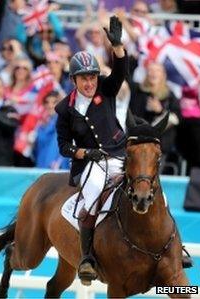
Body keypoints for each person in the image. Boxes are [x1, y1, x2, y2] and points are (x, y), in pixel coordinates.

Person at [55, 16, 127, 284]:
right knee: (94, 193)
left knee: (150, 182)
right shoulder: (64, 109)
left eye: (93, 77)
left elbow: (120, 70)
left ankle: (174, 245)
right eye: (84, 78)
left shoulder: (106, 89)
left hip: (119, 153)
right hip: (89, 164)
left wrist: (117, 46)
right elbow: (63, 147)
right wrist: (85, 154)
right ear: (74, 80)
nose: (90, 83)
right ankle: (87, 257)